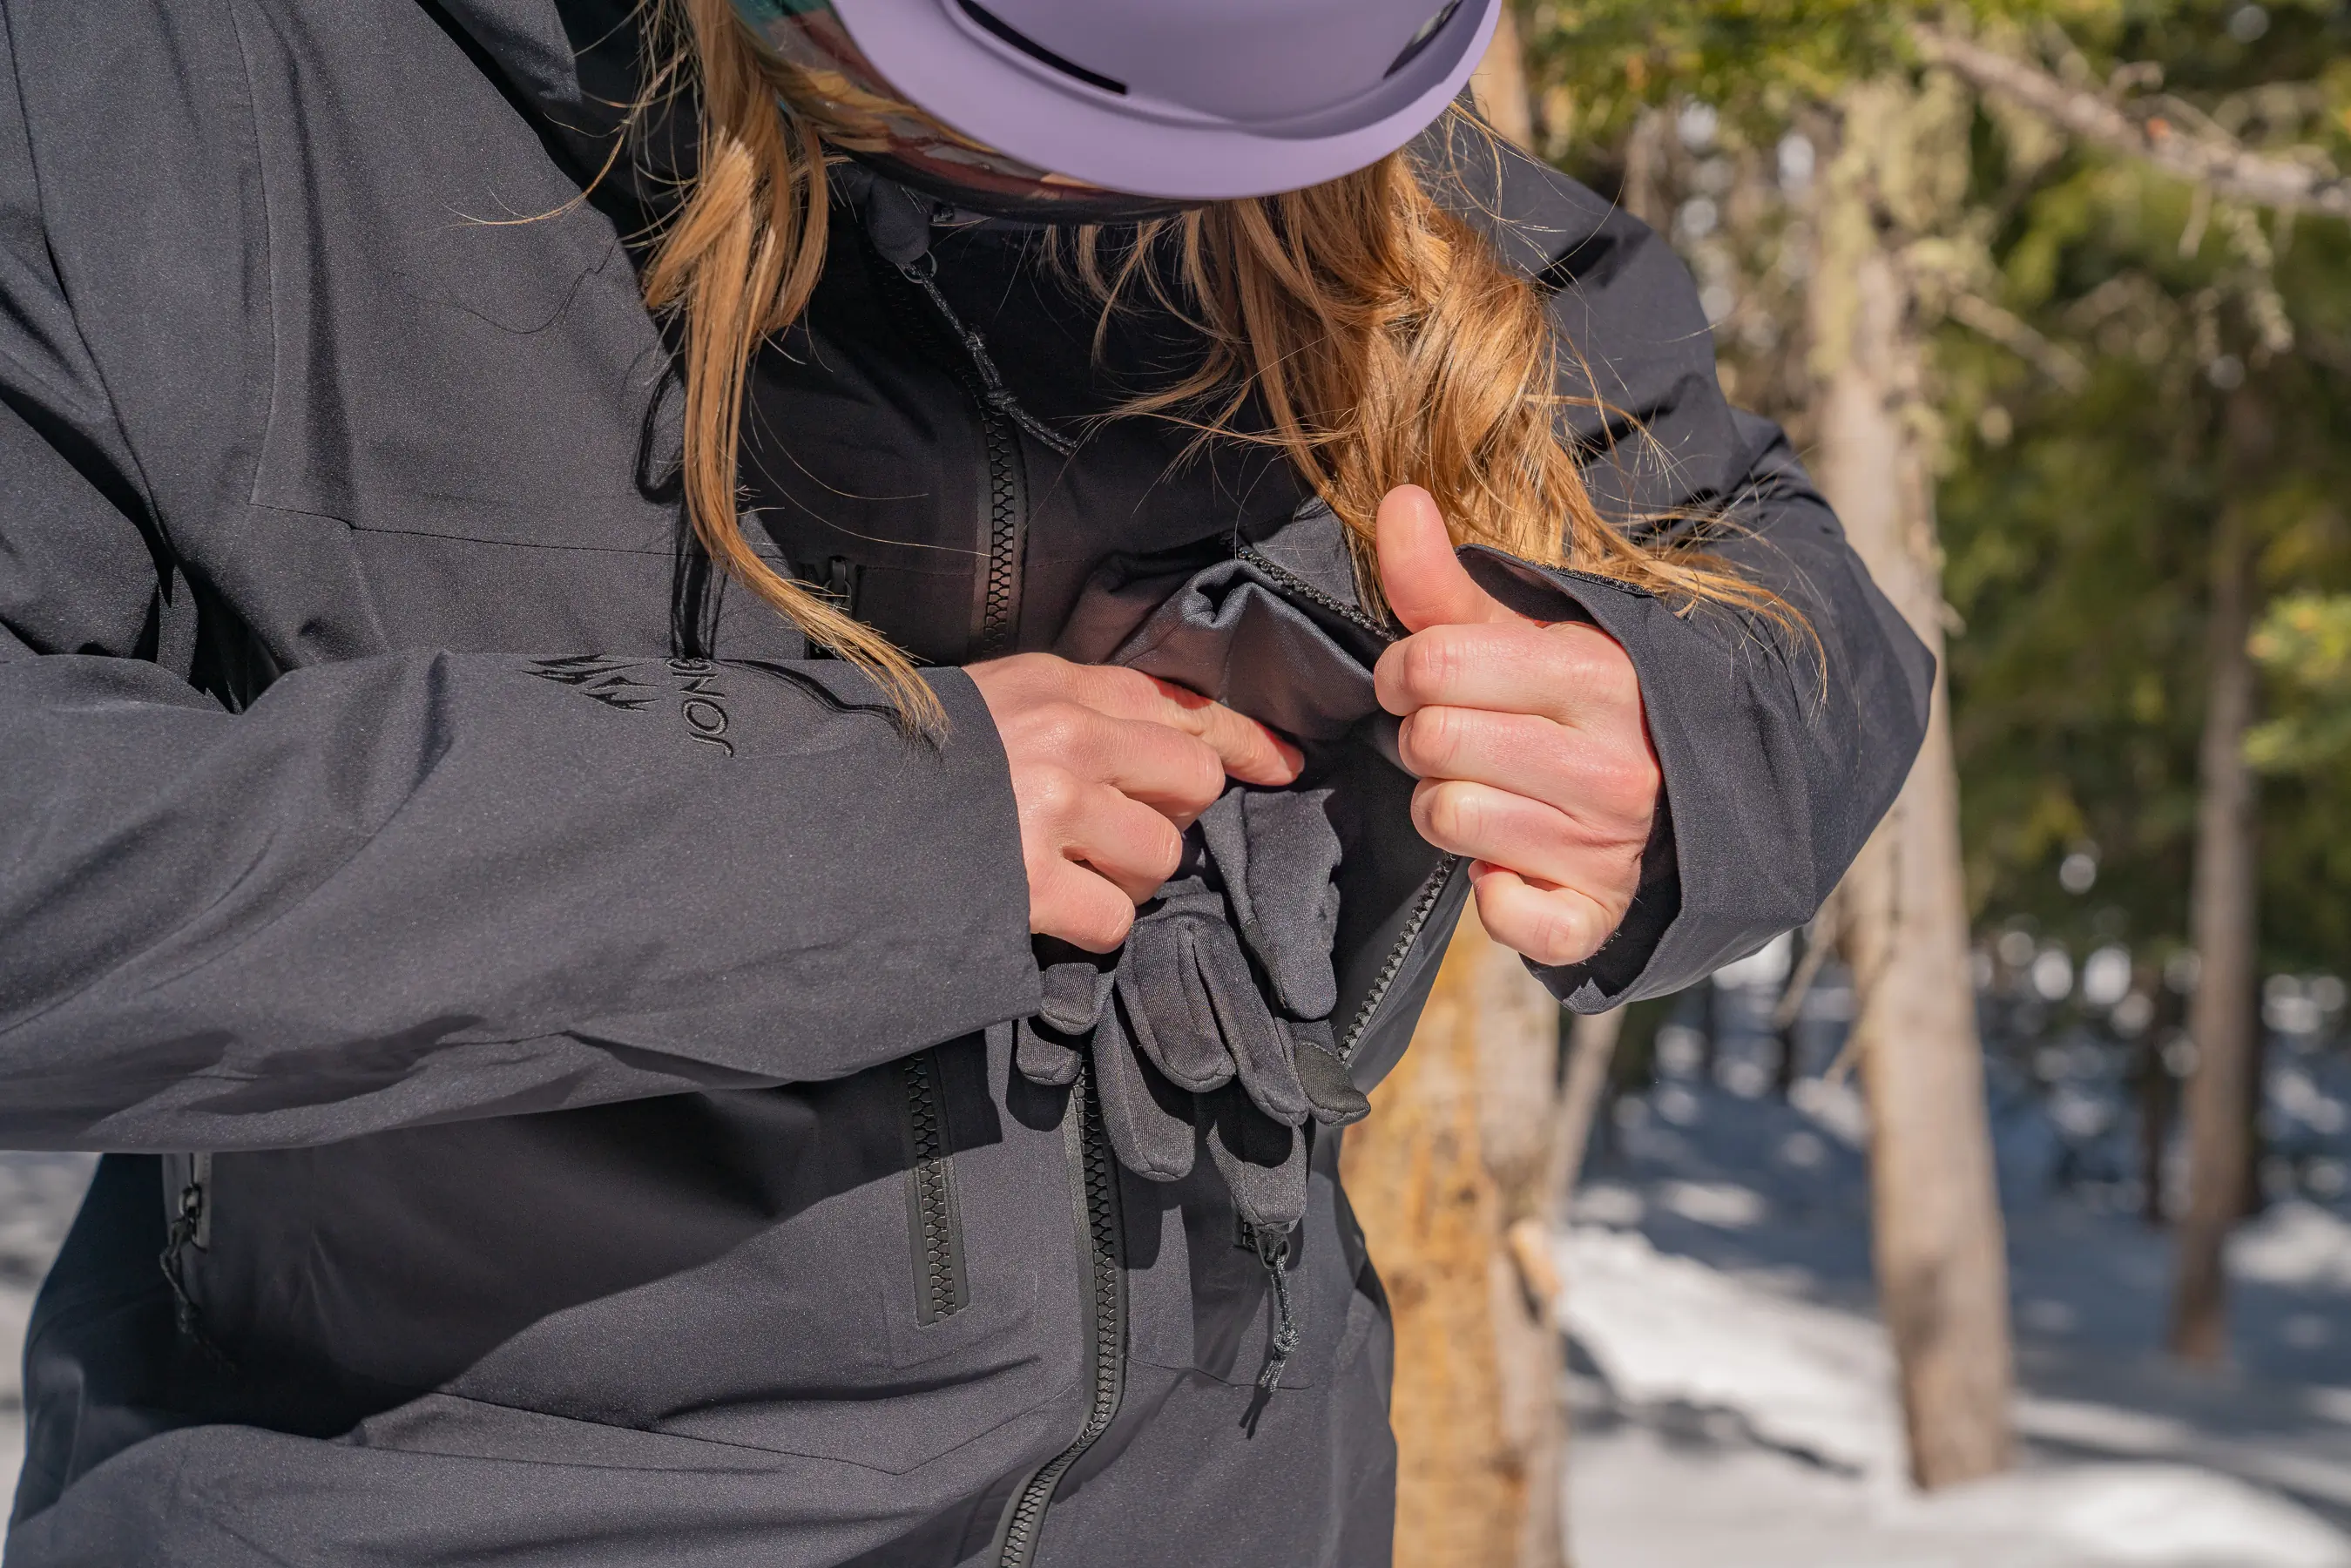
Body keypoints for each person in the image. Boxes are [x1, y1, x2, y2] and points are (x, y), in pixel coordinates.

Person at [0, 0, 1930, 1563]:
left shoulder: (1302, 117)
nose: (1109, 193)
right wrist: (848, 830)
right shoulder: (189, 92)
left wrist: (1662, 735)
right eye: (1009, 113)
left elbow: (1776, 579)